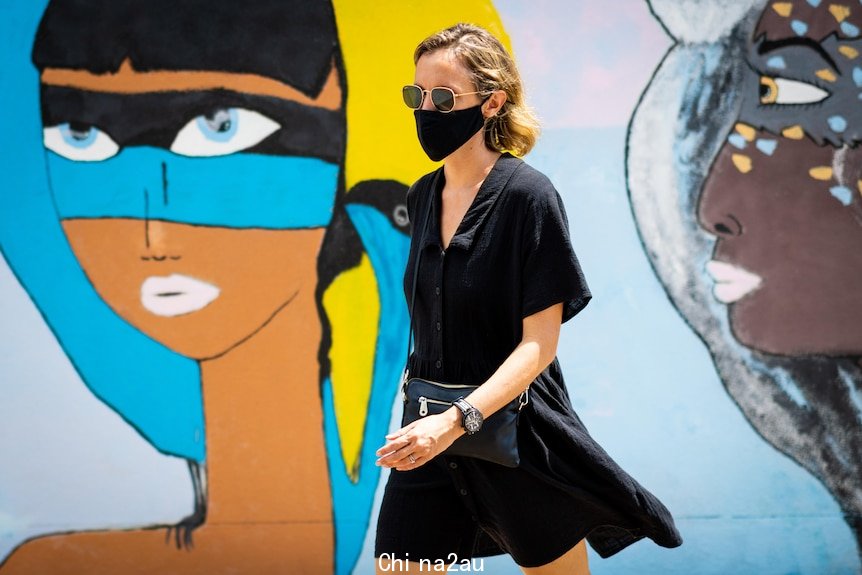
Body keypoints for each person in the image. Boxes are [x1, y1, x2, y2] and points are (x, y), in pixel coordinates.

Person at [374, 23, 683, 574]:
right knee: (399, 567)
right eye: (415, 96)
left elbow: (538, 345)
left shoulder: (528, 196)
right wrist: (432, 422)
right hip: (426, 434)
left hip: (515, 434)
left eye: (441, 98)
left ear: (492, 102)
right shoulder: (421, 197)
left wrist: (458, 419)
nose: (425, 110)